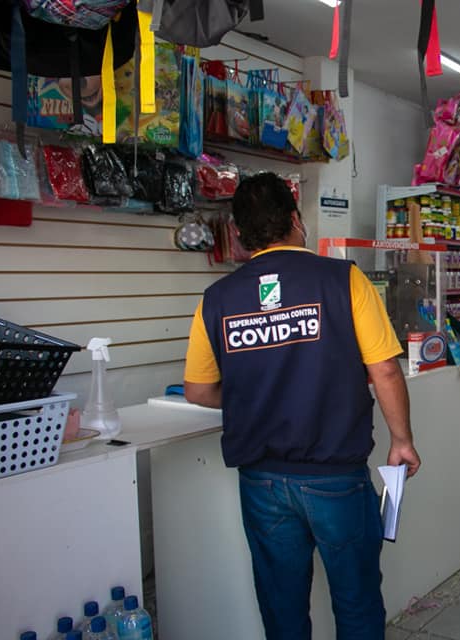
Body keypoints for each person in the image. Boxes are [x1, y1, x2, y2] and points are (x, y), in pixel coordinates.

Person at [183, 172, 421, 640]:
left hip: (261, 480)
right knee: (356, 601)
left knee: (282, 605)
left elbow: (198, 390)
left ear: (238, 233)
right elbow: (386, 371)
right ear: (296, 220)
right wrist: (402, 441)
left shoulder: (217, 299)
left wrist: (253, 396)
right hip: (335, 475)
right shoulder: (343, 279)